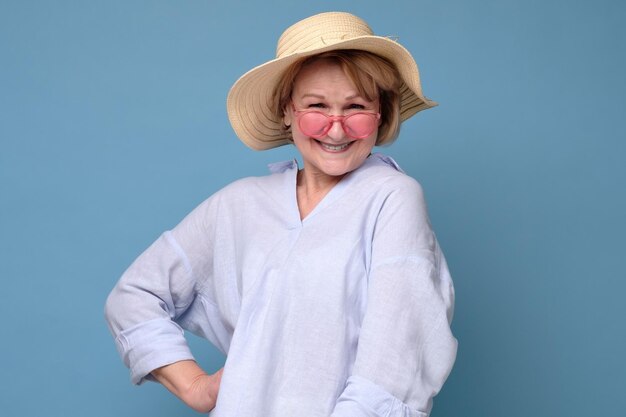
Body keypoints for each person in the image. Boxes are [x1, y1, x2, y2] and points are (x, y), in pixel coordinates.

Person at [105, 11, 457, 417]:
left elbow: (395, 360)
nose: (337, 129)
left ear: (381, 114)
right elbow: (134, 297)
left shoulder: (391, 197)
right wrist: (196, 387)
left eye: (356, 107)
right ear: (287, 111)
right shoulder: (239, 204)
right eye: (316, 106)